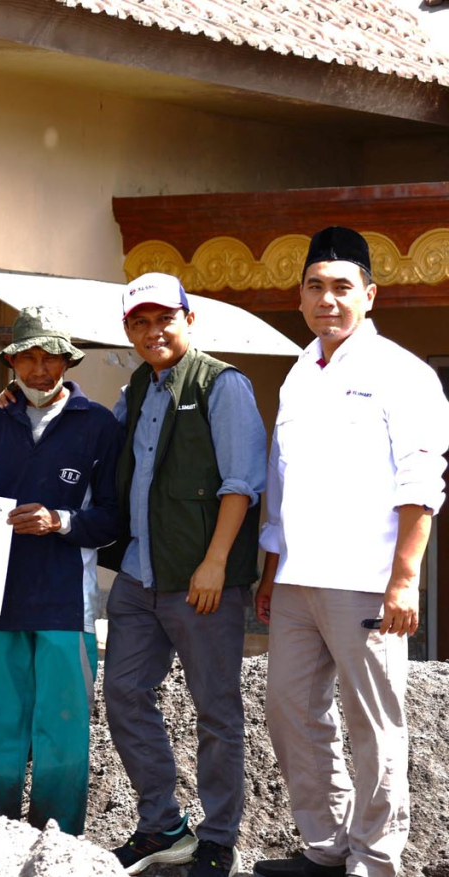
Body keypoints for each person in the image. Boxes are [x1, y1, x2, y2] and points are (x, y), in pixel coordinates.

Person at [252, 228, 449, 877]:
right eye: (315, 286)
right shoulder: (298, 375)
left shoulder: (402, 373)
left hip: (366, 579)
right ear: (300, 297)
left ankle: (375, 857)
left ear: (369, 294)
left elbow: (421, 480)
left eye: (342, 286)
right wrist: (271, 570)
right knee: (290, 711)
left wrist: (405, 578)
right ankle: (326, 845)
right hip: (296, 580)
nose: (327, 299)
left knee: (373, 723)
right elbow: (281, 484)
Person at [102, 273, 266, 877]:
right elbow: (97, 442)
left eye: (164, 319)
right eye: (140, 323)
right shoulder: (134, 390)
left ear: (189, 321)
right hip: (138, 576)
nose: (153, 332)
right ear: (129, 331)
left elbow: (241, 482)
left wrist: (215, 563)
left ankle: (219, 838)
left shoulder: (222, 384)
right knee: (123, 693)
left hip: (202, 581)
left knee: (216, 710)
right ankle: (162, 825)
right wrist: (21, 398)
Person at [0, 306, 121, 835]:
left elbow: (114, 519)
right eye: (27, 358)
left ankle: (57, 847)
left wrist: (59, 520)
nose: (39, 370)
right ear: (10, 362)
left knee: (62, 732)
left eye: (50, 358)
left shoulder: (99, 425)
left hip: (65, 605)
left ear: (67, 361)